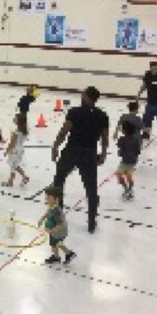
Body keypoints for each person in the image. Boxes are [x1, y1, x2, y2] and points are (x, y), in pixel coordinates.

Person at [52, 86, 109, 233]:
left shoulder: (74, 112)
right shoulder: (102, 116)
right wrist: (103, 154)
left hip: (72, 151)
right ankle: (91, 223)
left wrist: (55, 146)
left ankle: (58, 218)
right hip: (89, 154)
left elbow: (64, 131)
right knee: (91, 189)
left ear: (85, 96)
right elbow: (105, 138)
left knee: (59, 181)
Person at [37, 186, 76, 265]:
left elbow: (60, 225)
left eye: (48, 198)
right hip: (57, 232)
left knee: (54, 244)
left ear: (56, 199)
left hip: (58, 232)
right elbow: (48, 212)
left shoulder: (56, 212)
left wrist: (51, 231)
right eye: (46, 197)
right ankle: (67, 254)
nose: (46, 200)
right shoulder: (52, 206)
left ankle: (58, 256)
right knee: (58, 244)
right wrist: (42, 219)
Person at [114, 122, 140, 200]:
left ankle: (126, 188)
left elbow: (119, 147)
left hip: (125, 161)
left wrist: (121, 152)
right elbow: (138, 151)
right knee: (129, 176)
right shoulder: (136, 139)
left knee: (119, 174)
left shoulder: (122, 139)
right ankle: (130, 189)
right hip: (133, 161)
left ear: (124, 131)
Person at [2, 113, 29, 187]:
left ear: (19, 121)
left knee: (12, 166)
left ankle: (10, 182)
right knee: (15, 165)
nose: (14, 119)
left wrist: (7, 150)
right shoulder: (24, 131)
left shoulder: (16, 132)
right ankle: (24, 176)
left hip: (14, 150)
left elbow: (12, 143)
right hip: (21, 149)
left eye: (15, 118)